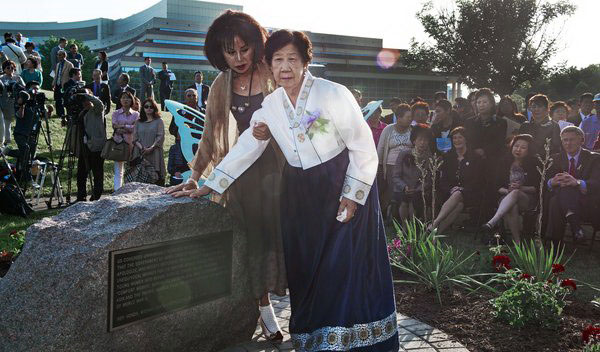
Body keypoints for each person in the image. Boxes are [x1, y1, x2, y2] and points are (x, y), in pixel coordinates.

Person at [191, 29, 399, 351]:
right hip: (300, 194)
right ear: (270, 65)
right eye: (278, 60)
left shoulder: (332, 93)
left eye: (292, 59)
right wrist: (212, 183)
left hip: (341, 185)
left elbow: (361, 145)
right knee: (308, 267)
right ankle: (315, 338)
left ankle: (353, 340)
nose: (285, 67)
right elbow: (248, 146)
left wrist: (352, 194)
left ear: (305, 62)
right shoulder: (271, 107)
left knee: (343, 266)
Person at [165, 10, 287, 342]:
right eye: (229, 52)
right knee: (254, 242)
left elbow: (299, 120)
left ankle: (305, 306)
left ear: (256, 45)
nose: (238, 58)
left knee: (289, 238)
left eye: (244, 49)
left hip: (284, 172)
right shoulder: (221, 84)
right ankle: (265, 310)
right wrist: (196, 176)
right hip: (244, 176)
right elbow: (210, 135)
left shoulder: (274, 73)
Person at [546, 126, 600, 246]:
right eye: (565, 140)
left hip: (586, 203)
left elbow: (597, 183)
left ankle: (554, 244)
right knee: (557, 198)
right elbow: (545, 182)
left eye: (572, 140)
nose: (568, 143)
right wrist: (552, 182)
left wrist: (577, 182)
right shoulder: (555, 158)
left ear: (582, 140)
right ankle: (576, 230)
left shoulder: (594, 158)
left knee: (559, 197)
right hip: (563, 203)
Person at [481, 134, 540, 244]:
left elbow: (536, 188)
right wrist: (508, 191)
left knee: (516, 192)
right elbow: (497, 187)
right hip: (506, 197)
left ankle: (493, 221)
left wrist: (520, 188)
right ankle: (517, 242)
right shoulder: (504, 162)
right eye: (516, 146)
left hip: (527, 198)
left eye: (523, 147)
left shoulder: (534, 163)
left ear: (529, 150)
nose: (518, 149)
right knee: (512, 206)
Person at [430, 127, 485, 234]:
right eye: (454, 138)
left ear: (466, 139)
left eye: (460, 137)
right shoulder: (448, 157)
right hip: (451, 194)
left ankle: (434, 223)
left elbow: (478, 180)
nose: (457, 140)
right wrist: (451, 189)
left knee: (458, 193)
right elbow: (443, 179)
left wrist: (462, 189)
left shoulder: (475, 158)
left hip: (471, 193)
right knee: (459, 205)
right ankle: (435, 235)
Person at [393, 124, 435, 222]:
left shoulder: (429, 158)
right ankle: (404, 227)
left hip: (419, 190)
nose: (422, 143)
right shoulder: (404, 154)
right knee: (405, 199)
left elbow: (429, 180)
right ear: (414, 140)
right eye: (420, 140)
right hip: (403, 189)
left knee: (413, 199)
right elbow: (396, 176)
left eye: (425, 140)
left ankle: (412, 227)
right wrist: (404, 187)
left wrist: (418, 189)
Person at [377, 103, 413, 216]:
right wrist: (379, 166)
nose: (410, 119)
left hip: (408, 166)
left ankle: (402, 215)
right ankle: (392, 215)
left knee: (406, 191)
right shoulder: (388, 129)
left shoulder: (412, 129)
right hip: (391, 165)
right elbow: (381, 148)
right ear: (399, 118)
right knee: (393, 191)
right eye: (408, 117)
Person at [75, 91, 106, 201]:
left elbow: (99, 103)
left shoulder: (97, 110)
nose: (85, 102)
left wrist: (87, 95)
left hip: (96, 146)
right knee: (81, 173)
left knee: (97, 173)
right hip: (84, 147)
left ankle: (96, 196)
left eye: (87, 99)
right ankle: (81, 196)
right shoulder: (82, 112)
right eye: (83, 100)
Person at [133, 98, 166, 185]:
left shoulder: (159, 121)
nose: (149, 108)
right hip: (140, 152)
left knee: (155, 177)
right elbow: (134, 138)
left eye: (151, 107)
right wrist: (142, 148)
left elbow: (160, 136)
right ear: (143, 108)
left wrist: (151, 148)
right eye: (146, 106)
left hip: (154, 152)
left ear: (154, 108)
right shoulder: (138, 122)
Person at [111, 91, 138, 190]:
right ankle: (117, 190)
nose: (125, 100)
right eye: (123, 97)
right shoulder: (116, 113)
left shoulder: (136, 114)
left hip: (132, 144)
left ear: (132, 100)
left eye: (128, 98)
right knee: (118, 170)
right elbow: (115, 127)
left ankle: (129, 191)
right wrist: (127, 127)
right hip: (119, 144)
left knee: (131, 169)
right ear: (120, 100)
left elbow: (134, 128)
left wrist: (122, 126)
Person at [0, 60, 25, 147]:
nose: (10, 69)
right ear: (4, 69)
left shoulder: (18, 78)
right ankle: (6, 141)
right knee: (6, 123)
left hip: (17, 103)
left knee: (17, 122)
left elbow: (24, 88)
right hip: (5, 103)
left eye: (12, 67)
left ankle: (20, 140)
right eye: (8, 67)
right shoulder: (1, 78)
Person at [52, 50, 74, 118]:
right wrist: (53, 83)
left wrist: (69, 86)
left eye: (59, 55)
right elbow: (56, 75)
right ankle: (59, 114)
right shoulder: (58, 64)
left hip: (65, 85)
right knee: (57, 99)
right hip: (58, 85)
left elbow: (72, 76)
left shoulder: (69, 64)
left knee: (66, 100)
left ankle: (68, 114)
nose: (58, 56)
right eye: (58, 55)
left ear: (64, 56)